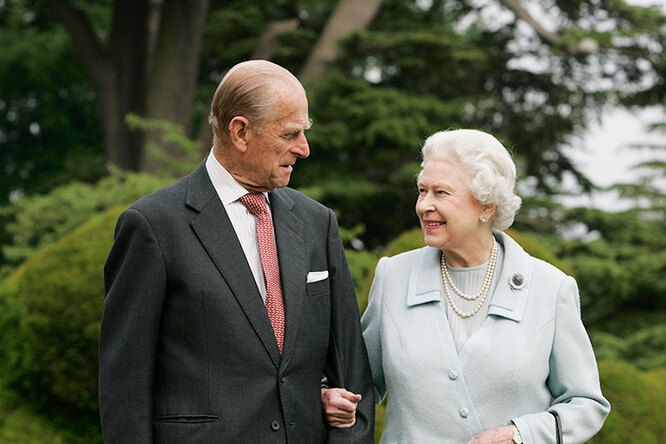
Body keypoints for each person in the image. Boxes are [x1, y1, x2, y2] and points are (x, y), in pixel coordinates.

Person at [99, 59, 374, 443]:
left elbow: (353, 374)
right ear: (240, 132)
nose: (304, 148)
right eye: (290, 133)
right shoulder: (152, 226)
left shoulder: (317, 223)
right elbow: (124, 387)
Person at [322, 129, 610, 443]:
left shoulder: (551, 288)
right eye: (422, 191)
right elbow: (358, 382)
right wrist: (331, 396)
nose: (423, 205)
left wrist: (518, 435)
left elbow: (586, 405)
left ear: (487, 205)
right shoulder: (394, 275)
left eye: (441, 193)